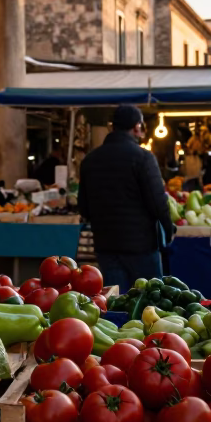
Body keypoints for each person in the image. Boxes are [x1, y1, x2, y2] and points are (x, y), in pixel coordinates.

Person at [78, 105, 174, 292]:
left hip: (106, 246)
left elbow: (84, 208)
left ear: (111, 127)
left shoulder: (90, 161)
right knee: (149, 302)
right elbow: (158, 203)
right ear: (137, 127)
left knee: (116, 301)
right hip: (142, 246)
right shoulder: (143, 158)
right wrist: (168, 231)